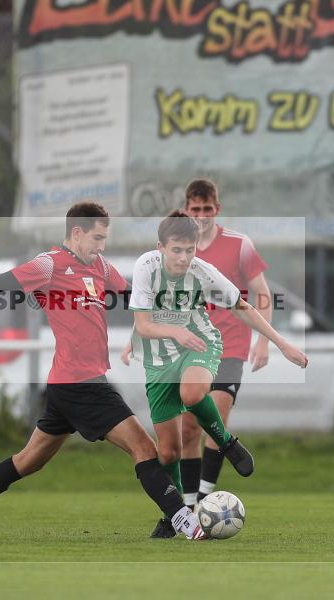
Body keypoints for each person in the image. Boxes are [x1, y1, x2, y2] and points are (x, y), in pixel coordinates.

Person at [0, 202, 205, 540]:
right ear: (76, 233)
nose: (101, 246)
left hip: (69, 384)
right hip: (81, 384)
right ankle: (187, 522)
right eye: (97, 237)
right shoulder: (48, 265)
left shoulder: (101, 267)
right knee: (144, 449)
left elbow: (135, 299)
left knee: (28, 461)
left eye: (104, 238)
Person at [127, 210, 308, 537]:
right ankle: (176, 514)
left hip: (201, 343)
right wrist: (173, 333)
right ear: (161, 247)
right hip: (159, 360)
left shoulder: (203, 272)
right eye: (177, 250)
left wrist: (281, 344)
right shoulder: (145, 267)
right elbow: (143, 325)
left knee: (192, 394)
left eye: (190, 250)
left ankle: (225, 442)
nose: (184, 258)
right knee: (167, 452)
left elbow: (245, 308)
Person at [179, 178, 272, 509]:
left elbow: (262, 294)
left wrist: (263, 343)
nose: (202, 215)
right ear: (186, 210)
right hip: (190, 348)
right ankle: (188, 507)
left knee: (215, 419)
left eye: (207, 209)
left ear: (217, 209)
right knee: (188, 429)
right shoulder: (177, 246)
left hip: (230, 346)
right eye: (195, 209)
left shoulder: (239, 244)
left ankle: (205, 502)